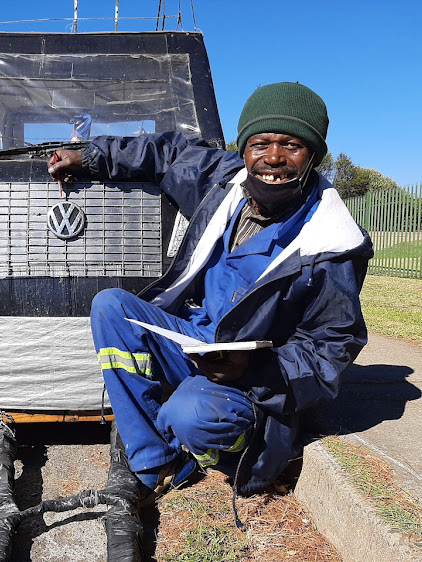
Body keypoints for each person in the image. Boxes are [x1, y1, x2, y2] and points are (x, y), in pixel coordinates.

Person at [48, 82, 373, 501]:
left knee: (191, 413)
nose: (273, 157)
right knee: (112, 307)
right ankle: (158, 461)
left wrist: (255, 370)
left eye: (291, 145)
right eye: (261, 143)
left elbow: (332, 346)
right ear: (244, 149)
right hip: (197, 340)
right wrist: (89, 156)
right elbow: (167, 153)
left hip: (254, 379)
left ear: (312, 156)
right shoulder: (224, 181)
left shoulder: (330, 243)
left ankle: (249, 455)